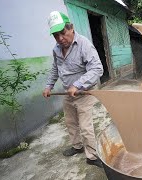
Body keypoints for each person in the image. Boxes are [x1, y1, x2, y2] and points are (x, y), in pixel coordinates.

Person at [42, 11, 104, 168]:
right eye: (56, 35)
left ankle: (92, 155)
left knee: (85, 126)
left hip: (84, 93)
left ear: (71, 28)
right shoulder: (56, 49)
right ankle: (77, 146)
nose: (60, 38)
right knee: (70, 122)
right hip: (68, 93)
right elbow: (55, 69)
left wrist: (78, 84)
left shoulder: (84, 44)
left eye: (63, 33)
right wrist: (49, 85)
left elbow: (97, 68)